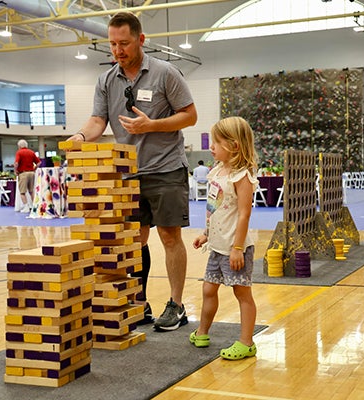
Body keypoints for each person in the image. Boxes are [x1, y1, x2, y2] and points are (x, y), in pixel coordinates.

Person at [68, 11, 197, 331]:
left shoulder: (166, 73)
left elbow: (190, 115)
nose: (117, 50)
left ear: (141, 40)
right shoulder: (106, 80)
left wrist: (152, 125)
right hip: (126, 174)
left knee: (169, 236)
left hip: (166, 167)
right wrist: (81, 137)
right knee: (133, 239)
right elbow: (98, 120)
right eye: (112, 44)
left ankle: (177, 305)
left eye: (124, 43)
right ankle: (138, 300)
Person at [190, 116, 259, 360]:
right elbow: (213, 207)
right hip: (217, 247)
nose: (212, 147)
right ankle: (202, 331)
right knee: (209, 289)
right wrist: (205, 234)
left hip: (235, 248)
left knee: (242, 294)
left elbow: (244, 214)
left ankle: (246, 342)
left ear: (234, 146)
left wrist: (238, 247)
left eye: (217, 142)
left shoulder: (242, 176)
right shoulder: (216, 171)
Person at [14, 139, 40, 213]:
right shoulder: (31, 152)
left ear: (19, 146)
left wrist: (16, 171)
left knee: (22, 192)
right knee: (31, 191)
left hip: (23, 173)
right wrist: (34, 169)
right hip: (31, 173)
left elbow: (16, 163)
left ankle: (26, 207)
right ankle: (34, 206)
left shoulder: (19, 152)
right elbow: (38, 163)